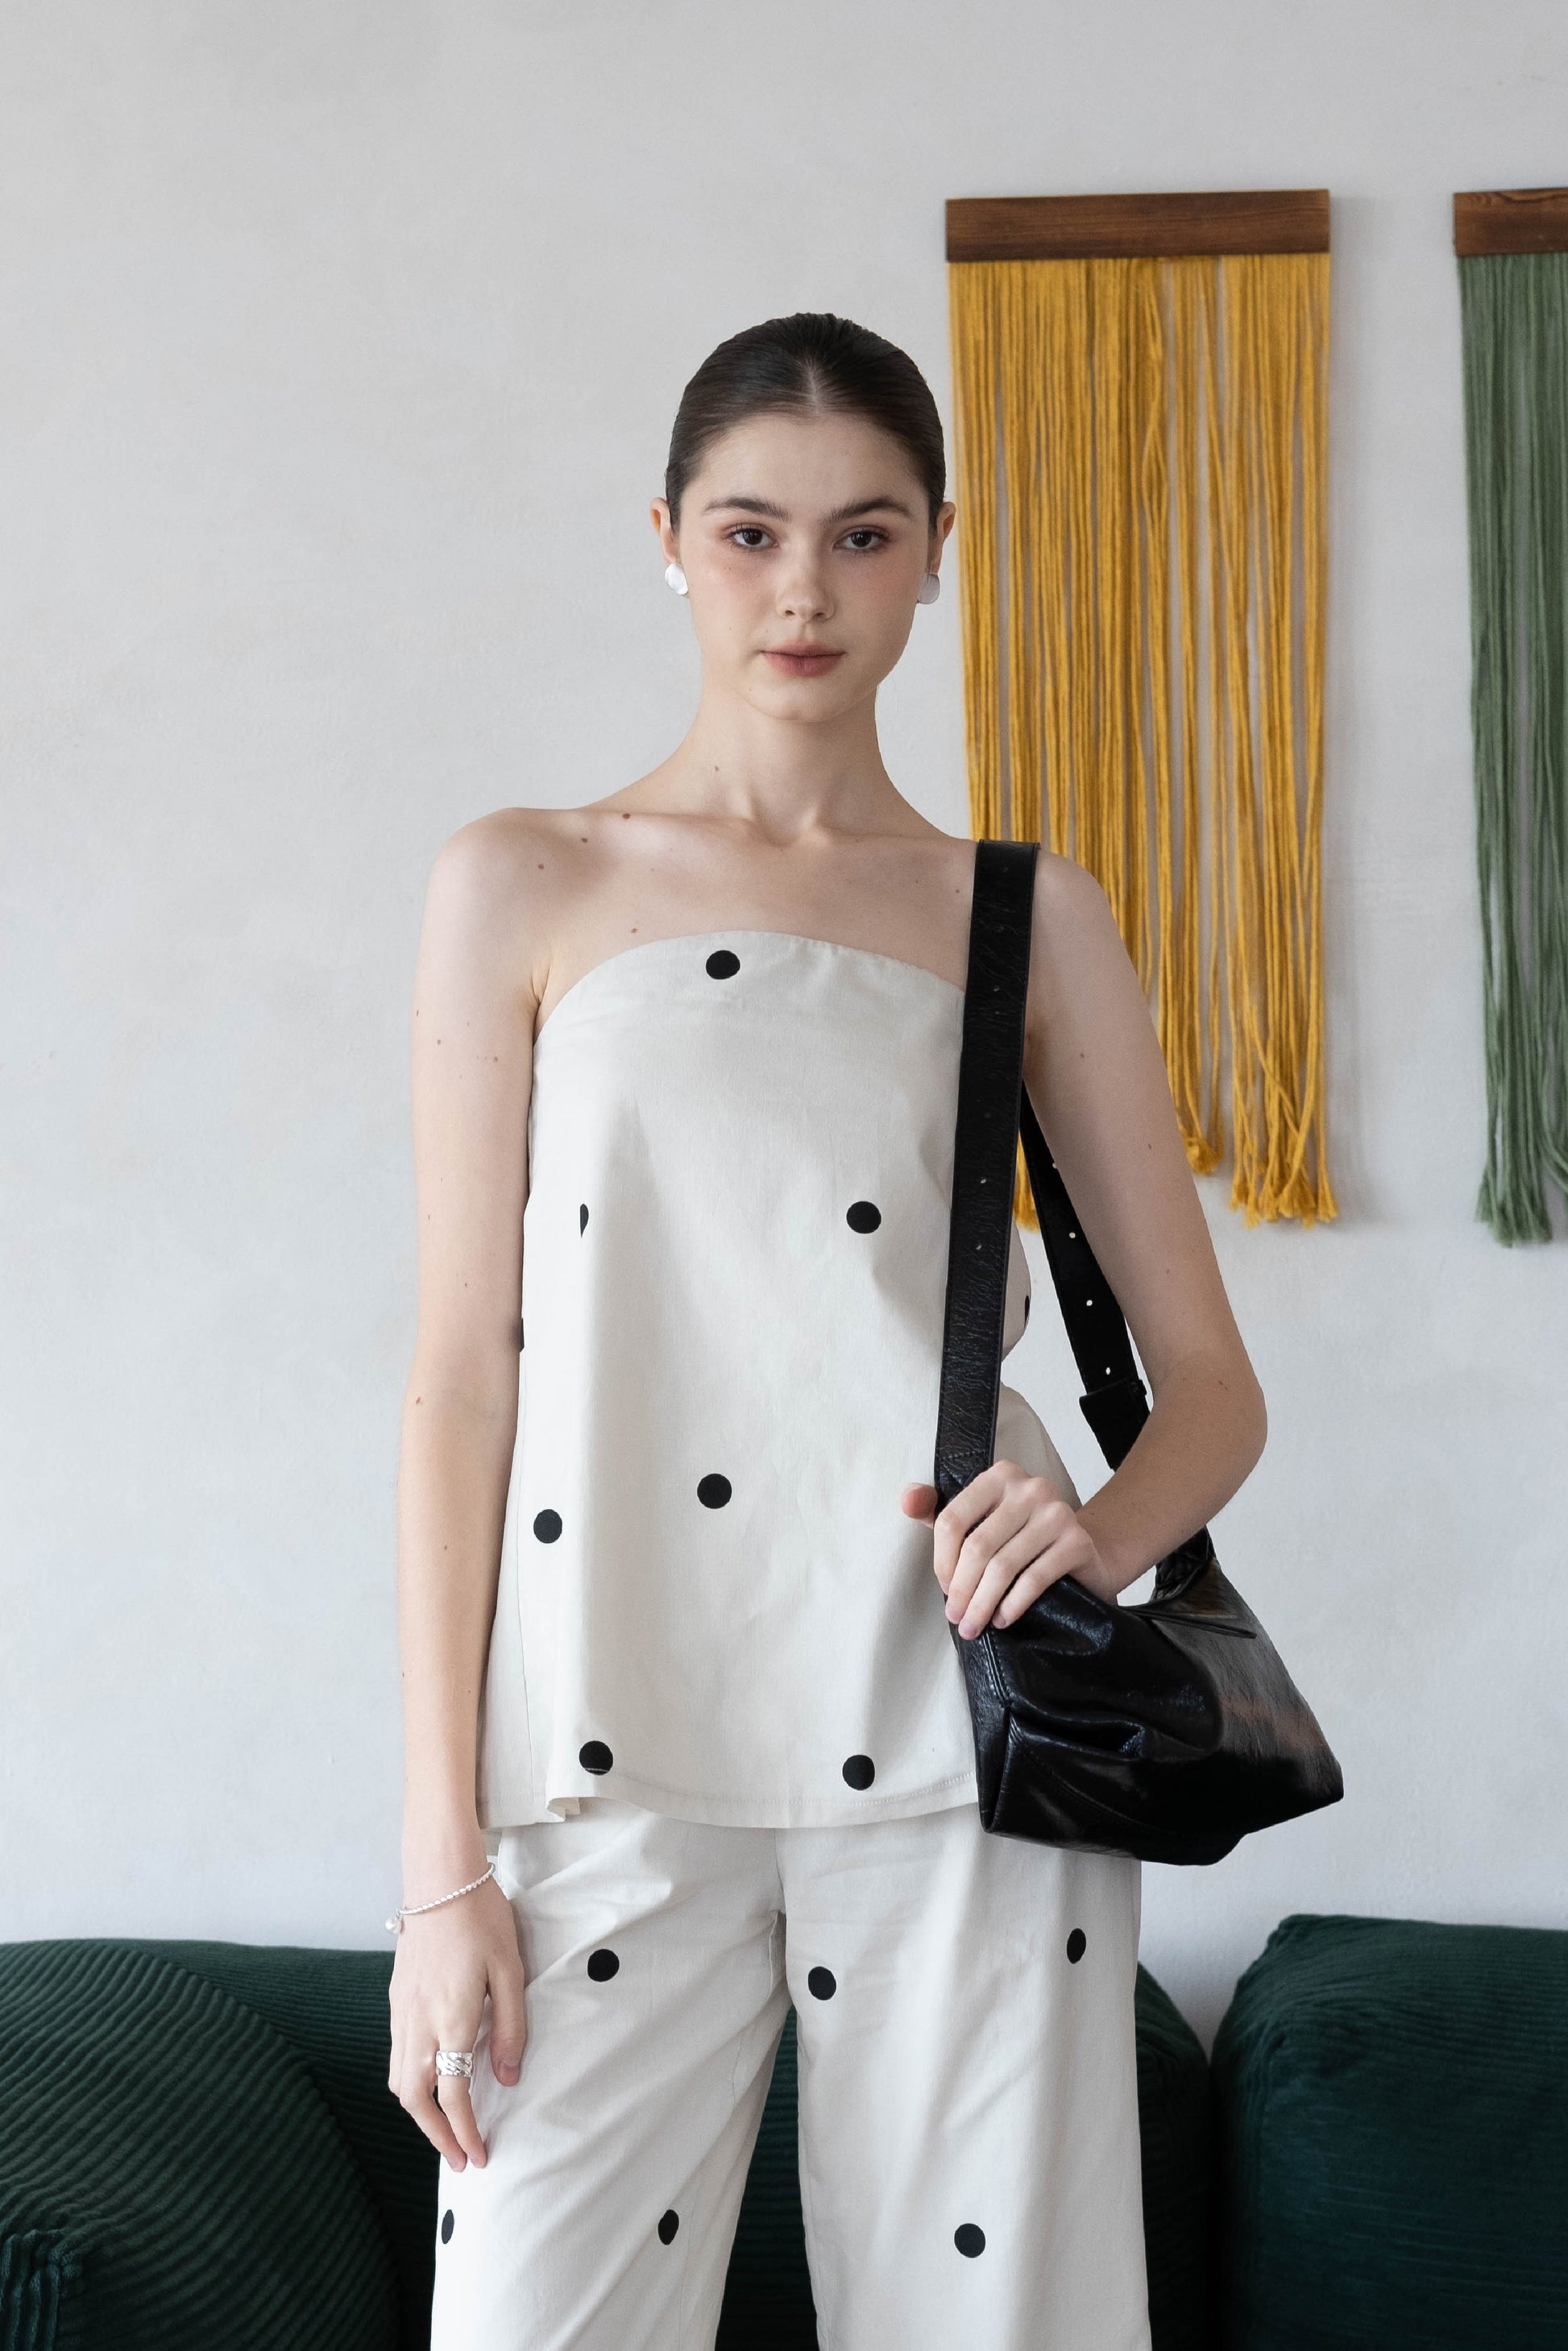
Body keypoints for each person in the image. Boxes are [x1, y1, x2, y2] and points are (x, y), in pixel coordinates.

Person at [388, 310, 1266, 2350]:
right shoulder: (522, 879)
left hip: (962, 1723)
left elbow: (1214, 1390)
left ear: (937, 550)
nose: (803, 590)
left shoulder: (1021, 915)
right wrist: (440, 1864)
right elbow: (457, 1376)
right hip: (598, 1718)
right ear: (667, 539)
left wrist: (1096, 1535)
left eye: (864, 534)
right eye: (751, 531)